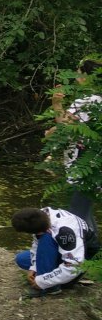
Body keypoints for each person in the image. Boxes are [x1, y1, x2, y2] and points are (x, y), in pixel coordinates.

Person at [47, 57, 102, 256]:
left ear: (88, 76)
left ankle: (79, 262)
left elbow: (63, 129)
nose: (76, 75)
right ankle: (93, 257)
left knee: (76, 217)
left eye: (79, 72)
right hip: (95, 167)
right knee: (85, 214)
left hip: (83, 167)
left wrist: (56, 104)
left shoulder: (87, 102)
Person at [12, 206, 95, 296]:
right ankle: (48, 273)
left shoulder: (65, 231)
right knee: (21, 259)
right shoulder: (38, 217)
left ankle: (50, 288)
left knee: (45, 239)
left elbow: (75, 266)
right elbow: (36, 245)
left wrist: (43, 282)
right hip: (59, 249)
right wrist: (34, 267)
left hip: (81, 257)